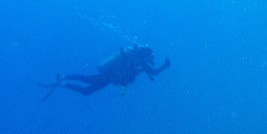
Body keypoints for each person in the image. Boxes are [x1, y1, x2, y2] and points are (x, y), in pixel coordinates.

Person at [40, 44, 170, 100]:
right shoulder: (135, 61)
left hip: (110, 78)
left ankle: (63, 80)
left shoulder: (140, 64)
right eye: (149, 57)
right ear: (145, 55)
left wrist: (164, 66)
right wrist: (165, 66)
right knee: (86, 83)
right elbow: (151, 72)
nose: (150, 60)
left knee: (86, 88)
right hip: (109, 76)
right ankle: (63, 78)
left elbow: (153, 72)